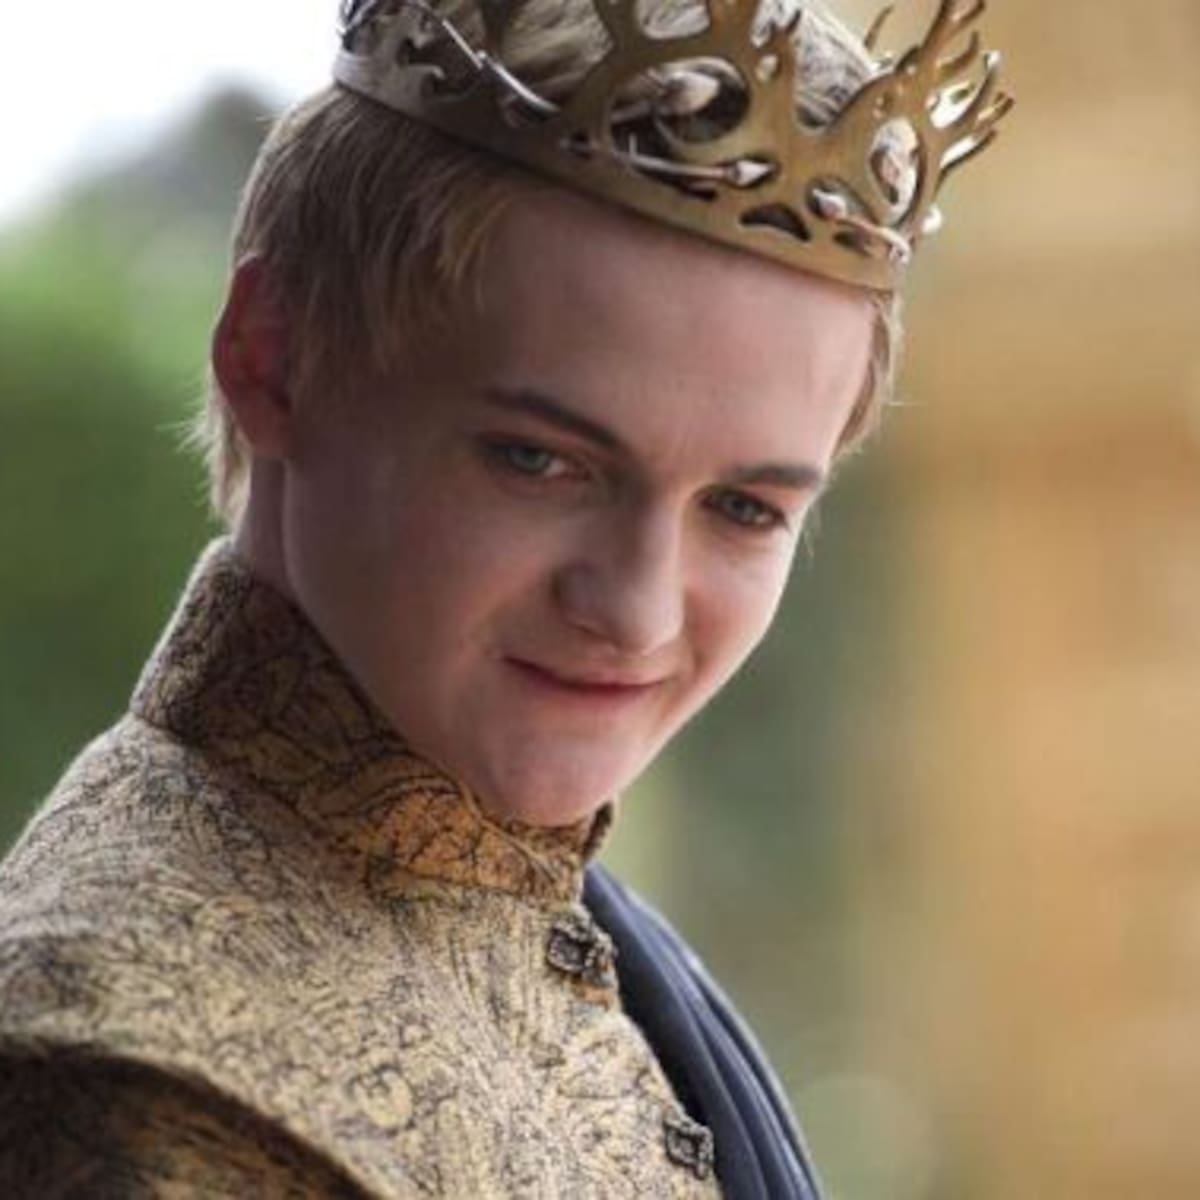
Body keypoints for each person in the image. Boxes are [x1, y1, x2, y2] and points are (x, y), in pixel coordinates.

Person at [0, 0, 1009, 1194]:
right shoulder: (139, 1080)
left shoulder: (560, 925)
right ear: (273, 360)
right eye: (539, 461)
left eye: (744, 509)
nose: (637, 614)